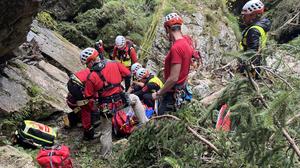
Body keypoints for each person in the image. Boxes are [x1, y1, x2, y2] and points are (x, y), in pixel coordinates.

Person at [83, 48, 149, 157]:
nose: (87, 67)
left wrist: (96, 107)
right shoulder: (114, 63)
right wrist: (126, 90)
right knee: (135, 99)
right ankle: (145, 124)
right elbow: (128, 75)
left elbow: (89, 96)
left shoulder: (91, 77)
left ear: (91, 62)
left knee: (106, 131)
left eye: (87, 64)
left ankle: (106, 154)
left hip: (107, 107)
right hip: (122, 100)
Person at [152, 13, 194, 115]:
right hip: (181, 90)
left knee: (161, 119)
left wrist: (158, 93)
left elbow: (173, 78)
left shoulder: (176, 48)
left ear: (167, 28)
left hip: (171, 95)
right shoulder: (186, 42)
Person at [239, 0, 271, 78]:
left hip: (252, 71)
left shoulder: (253, 30)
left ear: (254, 15)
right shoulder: (261, 26)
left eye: (245, 15)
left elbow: (252, 53)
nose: (243, 18)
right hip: (259, 68)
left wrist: (248, 72)